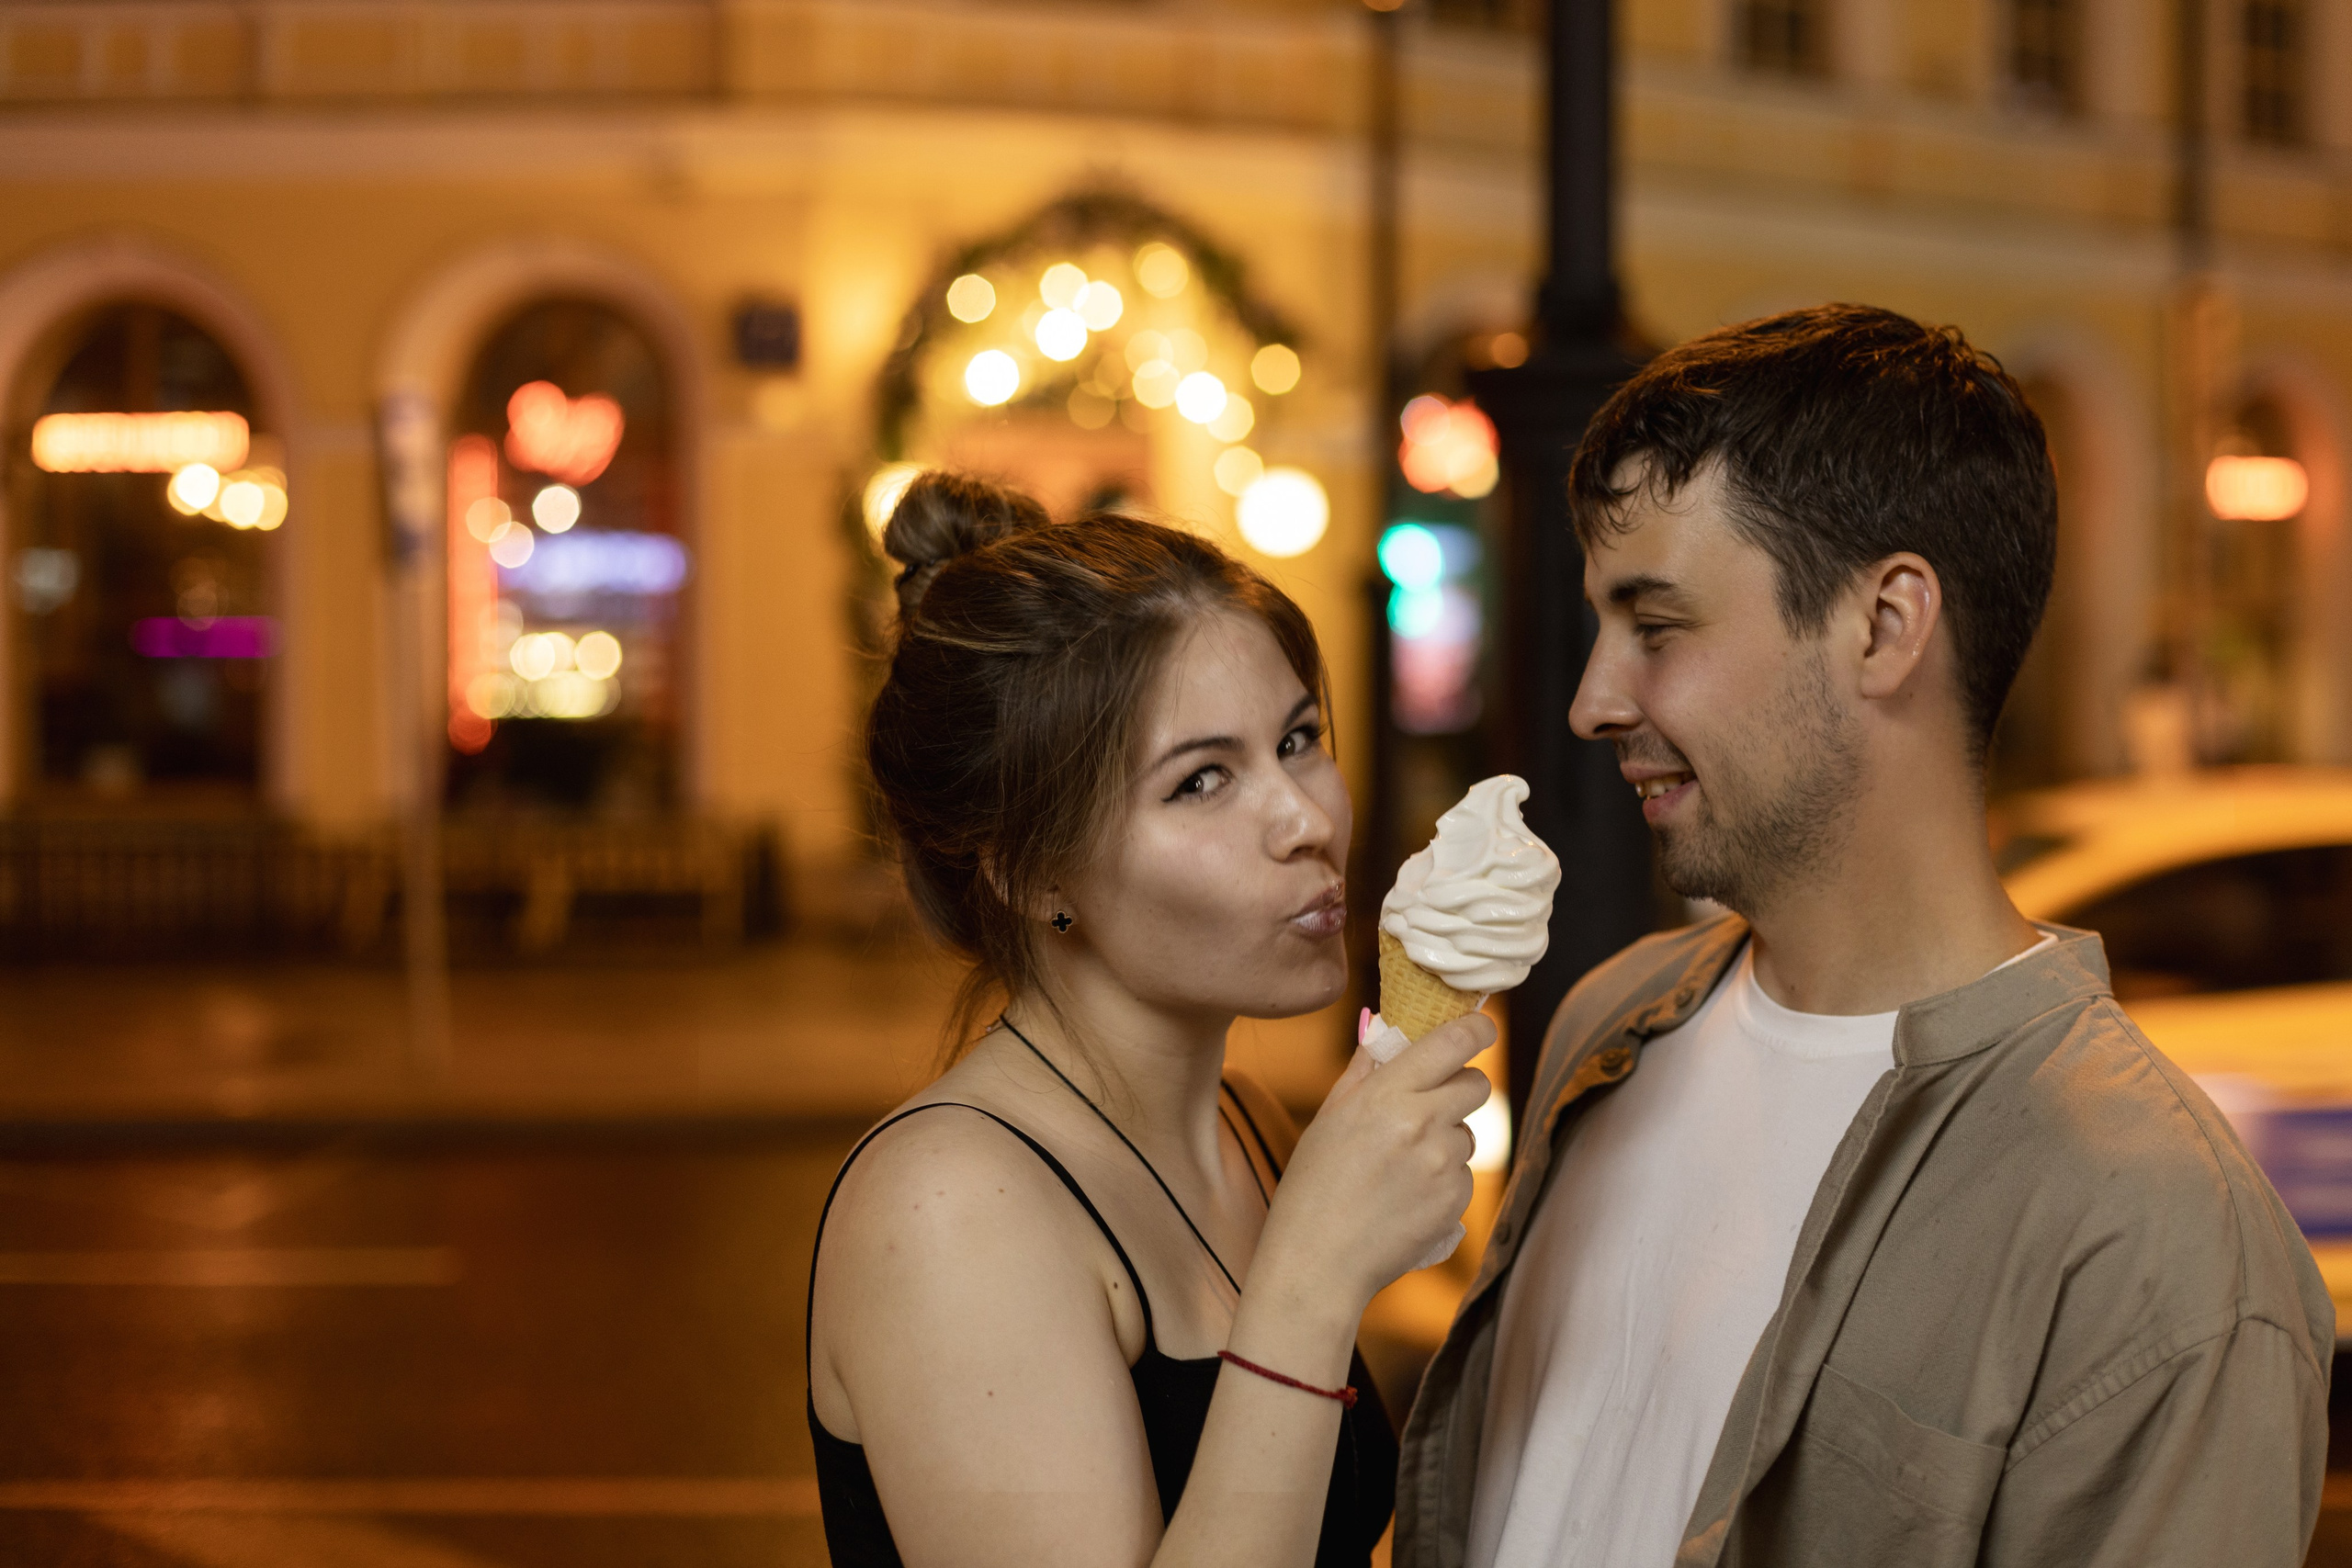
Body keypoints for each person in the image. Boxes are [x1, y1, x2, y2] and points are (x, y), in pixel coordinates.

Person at [1396, 305, 2333, 1567]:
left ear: (1885, 625)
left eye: (1657, 627)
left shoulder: (2158, 1234)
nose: (1592, 701)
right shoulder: (1606, 1027)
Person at [807, 471, 1495, 1568]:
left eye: (1297, 739)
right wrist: (1314, 1276)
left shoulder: (1247, 1123)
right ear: (1030, 871)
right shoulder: (949, 1206)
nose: (1305, 819)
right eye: (1200, 782)